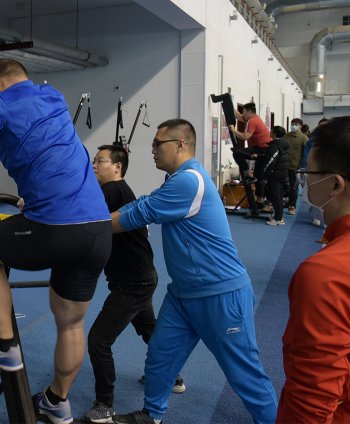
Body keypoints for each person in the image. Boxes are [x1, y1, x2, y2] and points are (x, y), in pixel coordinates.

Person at [0, 42, 112, 424]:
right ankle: (57, 402)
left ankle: (5, 345)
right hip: (98, 230)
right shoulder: (51, 95)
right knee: (71, 323)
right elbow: (13, 77)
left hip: (55, 228)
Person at [109, 119, 277, 424]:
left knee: (244, 374)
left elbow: (140, 213)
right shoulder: (177, 179)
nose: (152, 150)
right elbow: (144, 202)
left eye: (157, 144)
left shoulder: (189, 180)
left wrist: (85, 226)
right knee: (161, 354)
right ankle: (152, 415)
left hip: (220, 293)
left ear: (180, 145)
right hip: (183, 293)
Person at [84, 145, 184, 424]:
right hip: (141, 278)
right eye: (93, 161)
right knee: (150, 330)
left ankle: (104, 405)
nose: (94, 165)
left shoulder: (112, 190)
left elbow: (80, 211)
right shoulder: (118, 191)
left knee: (98, 341)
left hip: (133, 284)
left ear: (118, 166)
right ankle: (173, 377)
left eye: (100, 161)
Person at [277, 115, 350, 423]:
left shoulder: (328, 273)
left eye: (308, 173)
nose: (305, 181)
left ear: (336, 184)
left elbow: (312, 398)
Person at [229, 102, 271, 208]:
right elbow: (238, 116)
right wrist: (230, 102)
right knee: (259, 176)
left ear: (249, 111)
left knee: (237, 153)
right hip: (263, 149)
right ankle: (260, 202)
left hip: (261, 149)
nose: (243, 113)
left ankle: (249, 175)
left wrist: (233, 130)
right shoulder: (253, 118)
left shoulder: (252, 121)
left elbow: (245, 137)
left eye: (244, 111)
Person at [252, 126, 289, 226]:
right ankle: (279, 216)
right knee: (278, 196)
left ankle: (278, 218)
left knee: (275, 196)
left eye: (271, 131)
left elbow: (270, 161)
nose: (269, 132)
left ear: (275, 134)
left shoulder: (275, 146)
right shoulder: (283, 144)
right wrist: (260, 156)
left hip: (275, 175)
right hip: (281, 173)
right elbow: (273, 156)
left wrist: (264, 176)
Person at [301, 117, 329, 226]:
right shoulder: (312, 141)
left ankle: (327, 219)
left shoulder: (335, 141)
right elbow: (306, 155)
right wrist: (304, 169)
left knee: (328, 195)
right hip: (314, 171)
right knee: (314, 194)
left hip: (329, 172)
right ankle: (317, 216)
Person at [282, 118, 308, 216]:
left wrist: (302, 167)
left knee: (294, 187)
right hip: (284, 166)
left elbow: (305, 153)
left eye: (296, 124)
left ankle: (292, 206)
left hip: (296, 167)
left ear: (300, 126)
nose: (294, 126)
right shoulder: (286, 136)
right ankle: (281, 203)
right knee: (282, 186)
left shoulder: (303, 138)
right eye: (292, 124)